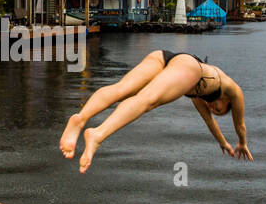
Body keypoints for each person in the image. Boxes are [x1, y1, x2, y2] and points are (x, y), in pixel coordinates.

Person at [59, 48, 253, 173]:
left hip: (165, 57)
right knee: (147, 100)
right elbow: (240, 124)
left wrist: (223, 143)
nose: (213, 109)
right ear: (226, 101)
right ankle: (97, 134)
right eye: (219, 109)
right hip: (190, 66)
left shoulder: (198, 97)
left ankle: (80, 119)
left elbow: (209, 121)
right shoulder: (233, 89)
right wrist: (242, 143)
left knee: (123, 89)